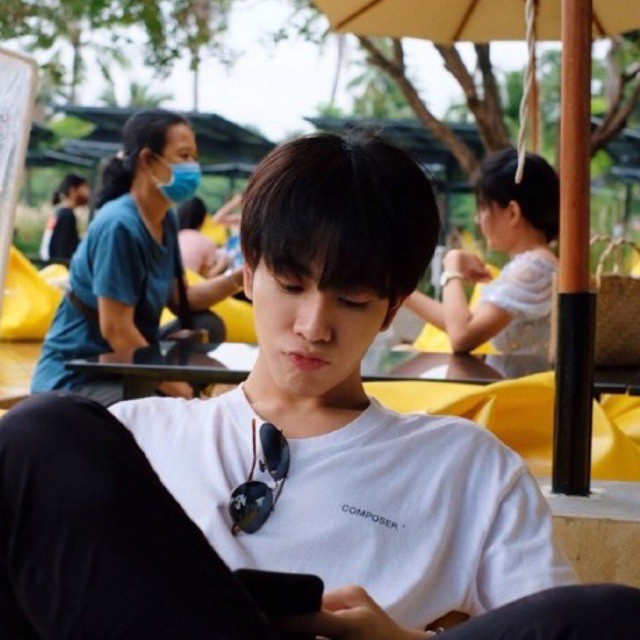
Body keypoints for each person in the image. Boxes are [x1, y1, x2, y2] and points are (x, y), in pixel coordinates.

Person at [2, 132, 639, 640]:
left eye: (352, 299)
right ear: (247, 274)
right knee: (45, 432)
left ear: (391, 310)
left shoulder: (467, 468)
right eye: (291, 284)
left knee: (609, 617)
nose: (313, 326)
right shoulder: (137, 439)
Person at [31, 110, 244, 406]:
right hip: (80, 375)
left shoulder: (166, 220)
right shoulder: (119, 226)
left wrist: (238, 279)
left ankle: (159, 381)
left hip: (126, 360)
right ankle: (160, 387)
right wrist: (184, 394)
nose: (192, 166)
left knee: (209, 324)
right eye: (183, 156)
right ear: (148, 160)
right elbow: (116, 330)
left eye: (194, 157)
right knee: (163, 412)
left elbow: (183, 299)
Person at [405, 148, 559, 357]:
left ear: (512, 213)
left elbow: (461, 336)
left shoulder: (532, 267)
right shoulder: (537, 264)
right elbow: (458, 323)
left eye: (484, 208)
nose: (478, 219)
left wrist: (452, 265)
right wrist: (403, 293)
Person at [39, 173, 90, 263]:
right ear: (72, 190)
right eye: (84, 188)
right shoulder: (67, 216)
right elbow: (62, 251)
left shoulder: (58, 213)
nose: (88, 193)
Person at [177, 196, 231, 277]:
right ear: (202, 218)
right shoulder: (207, 242)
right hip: (187, 282)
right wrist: (221, 264)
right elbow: (206, 277)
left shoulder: (172, 237)